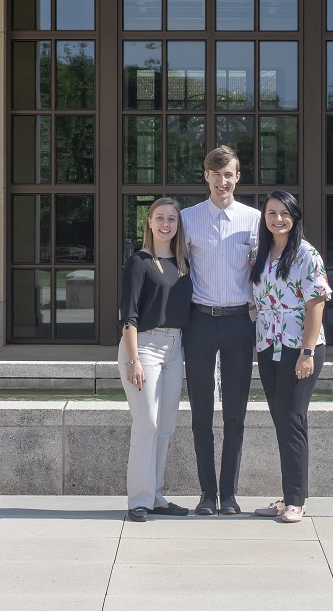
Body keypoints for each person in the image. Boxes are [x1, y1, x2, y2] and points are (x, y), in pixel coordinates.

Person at [181, 145, 261, 516]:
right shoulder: (187, 219)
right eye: (216, 174)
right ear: (206, 176)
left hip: (238, 324)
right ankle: (205, 494)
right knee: (200, 413)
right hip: (199, 322)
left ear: (237, 176)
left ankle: (228, 494)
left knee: (234, 414)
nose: (223, 181)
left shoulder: (255, 220)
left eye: (229, 174)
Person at [250, 190, 332, 523]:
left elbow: (317, 305)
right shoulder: (262, 253)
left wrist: (307, 352)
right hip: (269, 345)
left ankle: (297, 500)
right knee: (281, 420)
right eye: (271, 213)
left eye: (285, 213)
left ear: (294, 217)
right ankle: (287, 497)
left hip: (300, 347)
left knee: (293, 419)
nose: (278, 219)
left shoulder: (306, 254)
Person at [118, 197, 193, 523]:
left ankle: (156, 495)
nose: (166, 224)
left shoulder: (184, 264)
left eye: (172, 219)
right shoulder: (138, 262)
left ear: (178, 225)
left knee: (164, 427)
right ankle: (138, 500)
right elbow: (128, 316)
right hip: (143, 348)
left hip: (174, 349)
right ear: (148, 222)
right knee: (146, 423)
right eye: (159, 218)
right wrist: (133, 360)